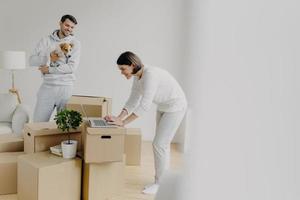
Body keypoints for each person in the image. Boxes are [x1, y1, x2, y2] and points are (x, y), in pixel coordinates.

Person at [105, 51, 187, 195]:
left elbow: (144, 106)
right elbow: (132, 100)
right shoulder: (138, 77)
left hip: (175, 107)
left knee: (159, 144)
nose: (122, 73)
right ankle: (162, 181)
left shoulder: (150, 75)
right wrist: (118, 118)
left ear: (132, 65)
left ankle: (161, 184)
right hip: (163, 107)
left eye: (123, 69)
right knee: (162, 145)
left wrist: (123, 123)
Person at [29, 14, 81, 122]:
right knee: (38, 123)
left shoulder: (75, 43)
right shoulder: (45, 40)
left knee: (65, 126)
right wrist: (49, 57)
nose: (69, 29)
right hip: (48, 87)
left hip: (66, 88)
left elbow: (71, 67)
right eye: (67, 25)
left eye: (72, 27)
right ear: (60, 23)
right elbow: (32, 60)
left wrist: (49, 69)